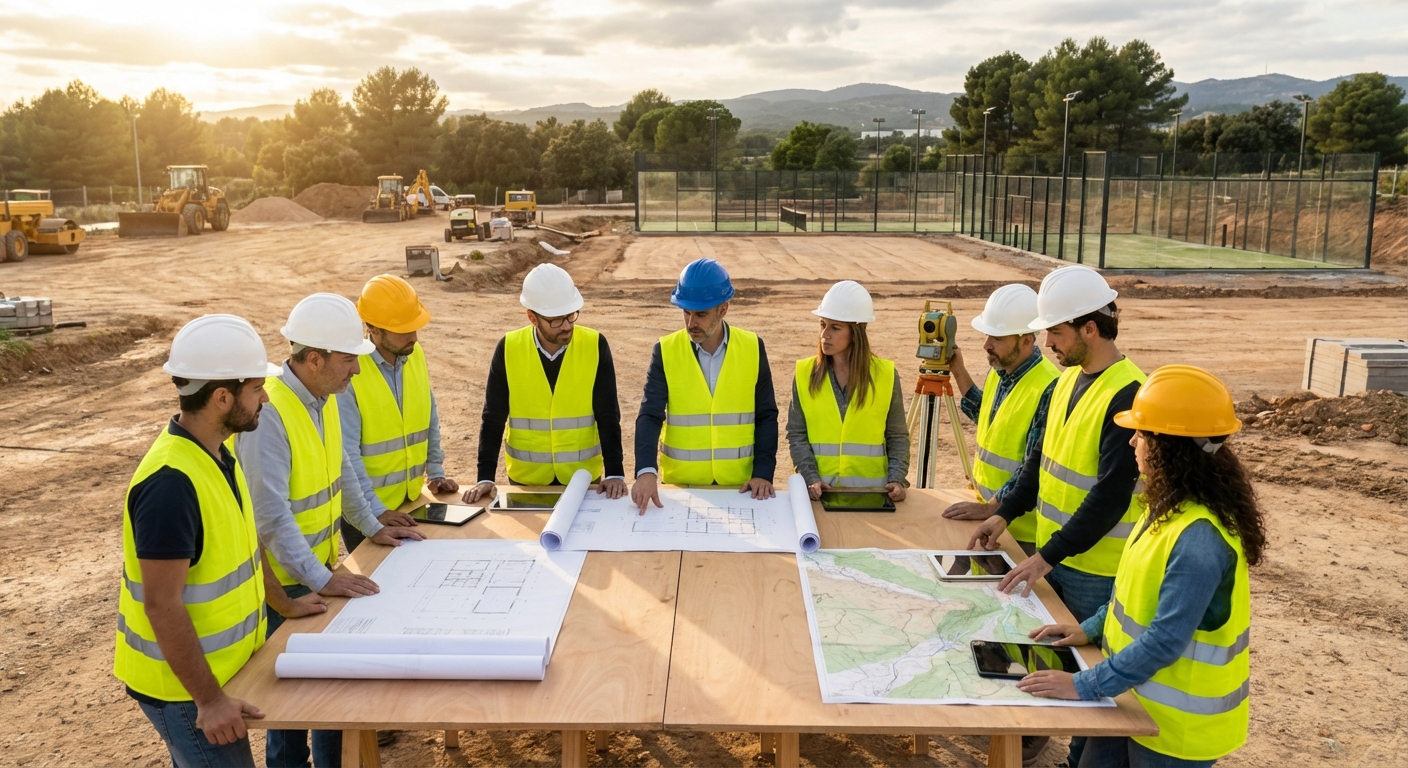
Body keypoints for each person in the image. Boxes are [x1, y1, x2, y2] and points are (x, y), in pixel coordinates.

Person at [1018, 365, 1262, 768]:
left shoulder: (1199, 540)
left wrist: (1082, 685)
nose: (1132, 441)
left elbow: (1166, 639)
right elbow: (1133, 594)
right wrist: (1090, 628)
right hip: (1129, 695)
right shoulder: (1165, 507)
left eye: (1142, 433)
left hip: (1174, 731)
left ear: (1171, 446)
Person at [115, 315, 327, 768]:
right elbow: (161, 605)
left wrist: (285, 606)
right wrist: (209, 701)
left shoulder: (218, 452)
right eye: (256, 388)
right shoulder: (170, 484)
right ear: (222, 397)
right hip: (184, 691)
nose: (265, 397)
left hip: (218, 674)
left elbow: (247, 547)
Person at [237, 293, 425, 768]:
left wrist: (371, 525)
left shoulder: (324, 398)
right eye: (348, 360)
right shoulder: (272, 414)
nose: (357, 371)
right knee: (290, 713)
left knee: (329, 700)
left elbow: (344, 472)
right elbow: (270, 516)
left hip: (317, 570)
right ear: (314, 358)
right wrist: (322, 580)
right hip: (286, 585)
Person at [968, 265, 1145, 622]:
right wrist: (1005, 512)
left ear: (1090, 329)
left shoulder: (1129, 393)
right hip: (1056, 557)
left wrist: (1048, 556)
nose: (1048, 343)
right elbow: (1039, 460)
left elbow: (1110, 496)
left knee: (1084, 666)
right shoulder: (1067, 381)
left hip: (1095, 572)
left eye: (1056, 332)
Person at [465, 263, 626, 502]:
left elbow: (608, 414)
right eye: (556, 320)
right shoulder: (509, 348)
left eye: (571, 315)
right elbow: (493, 417)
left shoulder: (595, 345)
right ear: (532, 317)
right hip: (526, 481)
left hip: (582, 479)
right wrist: (485, 477)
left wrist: (615, 472)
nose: (567, 326)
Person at [632, 257, 779, 513]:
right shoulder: (665, 351)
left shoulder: (753, 348)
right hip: (680, 488)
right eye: (686, 312)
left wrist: (763, 473)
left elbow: (766, 416)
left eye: (700, 314)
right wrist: (646, 471)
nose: (691, 323)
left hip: (740, 488)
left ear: (723, 309)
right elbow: (650, 415)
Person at [341, 275, 459, 553]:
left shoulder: (415, 355)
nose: (414, 337)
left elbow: (428, 415)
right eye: (404, 330)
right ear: (373, 329)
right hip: (369, 513)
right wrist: (375, 512)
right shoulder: (350, 373)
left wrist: (436, 471)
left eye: (415, 327)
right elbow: (346, 455)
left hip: (412, 502)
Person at [944, 284, 1061, 556]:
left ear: (1026, 341)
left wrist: (992, 508)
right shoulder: (1001, 371)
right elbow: (989, 417)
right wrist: (958, 371)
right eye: (987, 335)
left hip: (1019, 530)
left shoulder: (1048, 386)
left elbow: (1033, 463)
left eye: (997, 338)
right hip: (986, 514)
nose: (986, 345)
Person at [786, 280, 909, 502]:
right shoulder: (805, 373)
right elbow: (797, 435)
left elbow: (897, 435)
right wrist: (811, 478)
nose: (825, 335)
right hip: (819, 497)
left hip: (872, 497)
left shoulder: (886, 375)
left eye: (835, 327)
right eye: (822, 325)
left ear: (857, 332)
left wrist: (897, 479)